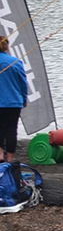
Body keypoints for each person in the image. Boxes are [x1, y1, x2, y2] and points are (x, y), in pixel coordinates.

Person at [0, 34, 26, 164]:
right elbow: (23, 82)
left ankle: (0, 154)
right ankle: (10, 158)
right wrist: (24, 98)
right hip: (13, 102)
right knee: (11, 130)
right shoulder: (15, 61)